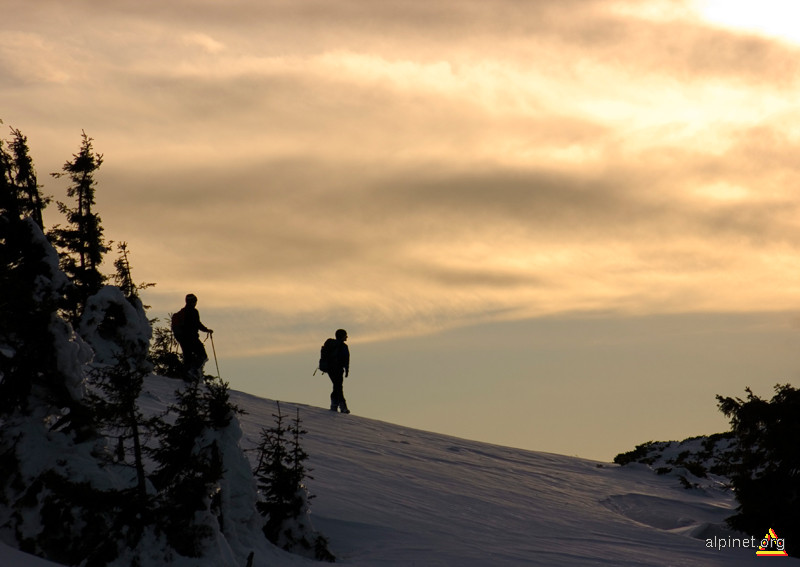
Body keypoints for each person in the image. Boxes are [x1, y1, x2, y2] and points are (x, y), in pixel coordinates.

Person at [173, 293, 213, 377]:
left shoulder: (183, 312)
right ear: (193, 302)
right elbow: (197, 324)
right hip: (192, 338)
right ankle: (193, 371)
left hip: (182, 339)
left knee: (188, 358)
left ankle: (186, 376)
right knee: (202, 355)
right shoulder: (193, 312)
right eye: (195, 301)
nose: (196, 303)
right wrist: (206, 330)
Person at [326, 329, 350, 414]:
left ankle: (334, 404)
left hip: (330, 369)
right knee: (338, 387)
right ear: (342, 336)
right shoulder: (344, 347)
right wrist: (347, 370)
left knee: (336, 386)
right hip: (338, 369)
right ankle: (342, 406)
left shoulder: (330, 344)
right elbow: (346, 359)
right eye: (345, 335)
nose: (347, 337)